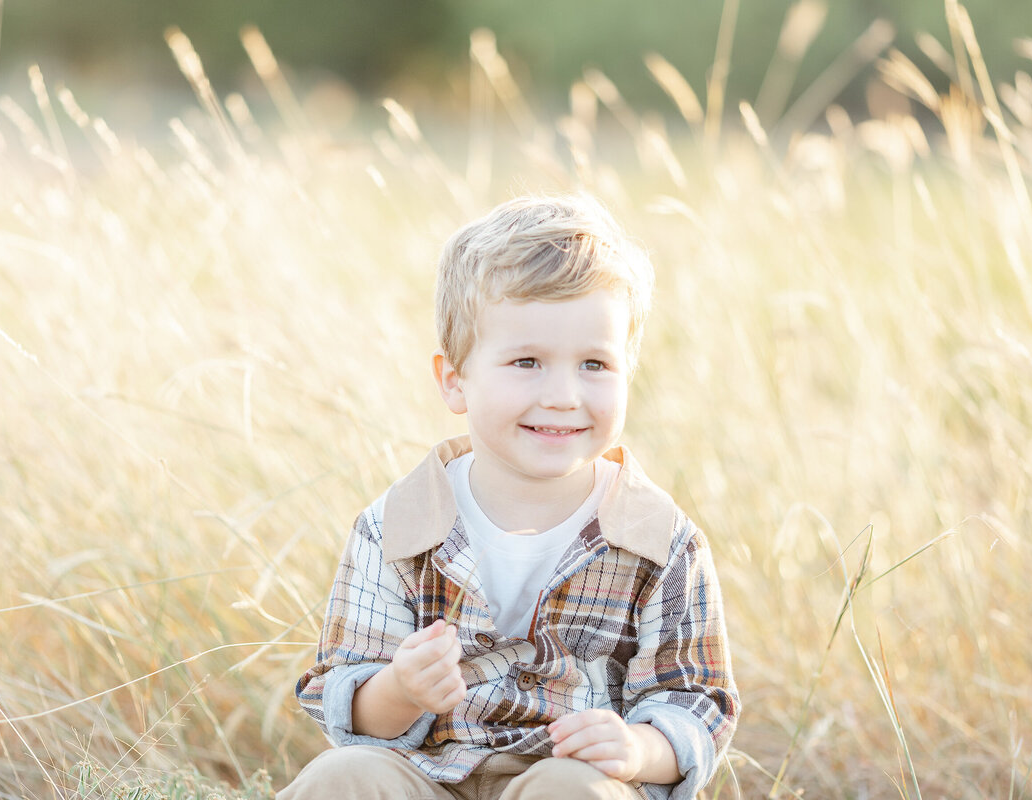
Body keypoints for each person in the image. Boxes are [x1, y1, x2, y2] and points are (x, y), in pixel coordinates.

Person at [278, 195, 740, 800]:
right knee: (342, 778)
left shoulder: (657, 539)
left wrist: (638, 749)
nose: (564, 394)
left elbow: (697, 699)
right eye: (527, 362)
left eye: (595, 364)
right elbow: (350, 704)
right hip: (431, 777)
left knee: (576, 793)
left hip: (571, 777)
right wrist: (400, 689)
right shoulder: (397, 526)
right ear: (455, 380)